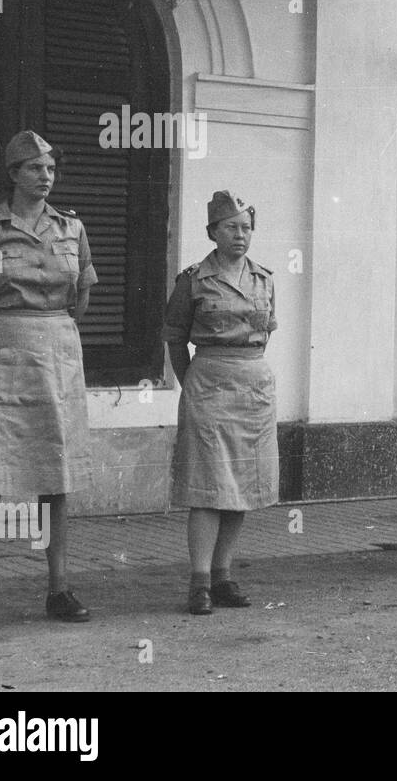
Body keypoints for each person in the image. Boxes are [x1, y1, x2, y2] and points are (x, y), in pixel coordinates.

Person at [0, 130, 97, 632]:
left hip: (56, 356)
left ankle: (59, 588)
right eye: (35, 169)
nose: (46, 177)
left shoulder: (72, 229)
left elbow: (80, 296)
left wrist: (49, 331)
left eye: (51, 169)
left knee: (55, 477)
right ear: (13, 174)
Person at [163, 192, 279, 615]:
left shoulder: (264, 279)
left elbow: (267, 330)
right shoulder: (193, 280)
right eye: (231, 227)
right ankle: (199, 582)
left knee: (242, 488)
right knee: (208, 489)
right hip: (208, 385)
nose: (240, 235)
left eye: (246, 227)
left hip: (253, 387)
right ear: (212, 232)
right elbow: (175, 337)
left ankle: (224, 576)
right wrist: (192, 380)